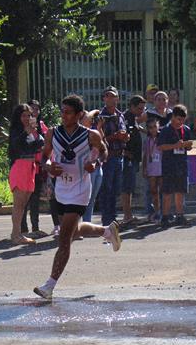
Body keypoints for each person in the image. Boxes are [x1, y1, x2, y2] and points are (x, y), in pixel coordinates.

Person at [33, 94, 121, 300]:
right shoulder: (53, 133)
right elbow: (44, 156)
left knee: (64, 238)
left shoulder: (91, 135)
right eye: (62, 111)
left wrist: (95, 164)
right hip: (61, 188)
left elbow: (104, 152)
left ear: (79, 115)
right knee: (71, 231)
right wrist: (48, 167)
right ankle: (107, 230)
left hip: (81, 189)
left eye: (68, 112)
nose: (63, 116)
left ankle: (49, 286)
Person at [7, 103, 42, 245]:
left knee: (23, 204)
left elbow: (38, 144)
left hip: (31, 167)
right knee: (18, 204)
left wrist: (35, 132)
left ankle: (18, 234)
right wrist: (26, 132)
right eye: (24, 115)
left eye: (29, 115)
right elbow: (16, 146)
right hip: (20, 167)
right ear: (18, 117)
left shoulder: (29, 131)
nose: (27, 118)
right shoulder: (17, 131)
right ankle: (16, 235)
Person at [157, 105, 194, 227]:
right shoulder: (166, 130)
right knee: (167, 192)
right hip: (169, 164)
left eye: (183, 120)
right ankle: (165, 216)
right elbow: (161, 146)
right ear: (173, 117)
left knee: (180, 191)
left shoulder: (186, 129)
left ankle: (180, 215)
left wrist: (187, 145)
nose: (181, 122)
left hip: (182, 164)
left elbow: (190, 146)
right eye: (179, 119)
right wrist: (175, 145)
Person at [96, 86, 128, 227]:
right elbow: (98, 139)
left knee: (116, 189)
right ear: (104, 98)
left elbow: (125, 133)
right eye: (107, 96)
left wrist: (125, 137)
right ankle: (106, 218)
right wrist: (115, 136)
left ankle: (113, 218)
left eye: (113, 96)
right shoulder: (100, 117)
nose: (111, 98)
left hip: (119, 155)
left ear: (117, 98)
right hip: (108, 158)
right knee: (106, 189)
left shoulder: (121, 115)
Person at [21, 100, 50, 238]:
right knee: (23, 200)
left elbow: (46, 143)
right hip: (25, 168)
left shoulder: (41, 126)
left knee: (35, 200)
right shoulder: (21, 128)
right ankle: (23, 230)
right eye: (32, 110)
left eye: (37, 109)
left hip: (38, 168)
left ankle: (35, 228)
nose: (35, 112)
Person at [120, 95, 146, 225]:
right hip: (128, 158)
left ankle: (128, 215)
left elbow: (137, 129)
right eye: (140, 108)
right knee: (127, 187)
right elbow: (122, 136)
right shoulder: (125, 118)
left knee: (130, 187)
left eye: (143, 108)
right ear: (132, 106)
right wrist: (125, 152)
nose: (142, 111)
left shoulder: (133, 119)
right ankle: (127, 215)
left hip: (134, 158)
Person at [81, 109, 103, 224]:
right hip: (87, 168)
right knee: (86, 198)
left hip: (98, 166)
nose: (91, 119)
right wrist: (95, 111)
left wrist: (99, 128)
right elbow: (86, 119)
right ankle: (81, 224)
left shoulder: (94, 132)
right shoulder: (81, 133)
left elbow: (104, 145)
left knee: (92, 198)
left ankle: (86, 223)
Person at [142, 117, 163, 222]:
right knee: (153, 191)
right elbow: (145, 155)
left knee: (162, 191)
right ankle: (156, 211)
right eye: (150, 127)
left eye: (155, 126)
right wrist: (144, 168)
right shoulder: (147, 140)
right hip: (151, 168)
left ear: (158, 126)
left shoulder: (162, 138)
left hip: (161, 167)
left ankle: (164, 212)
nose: (153, 129)